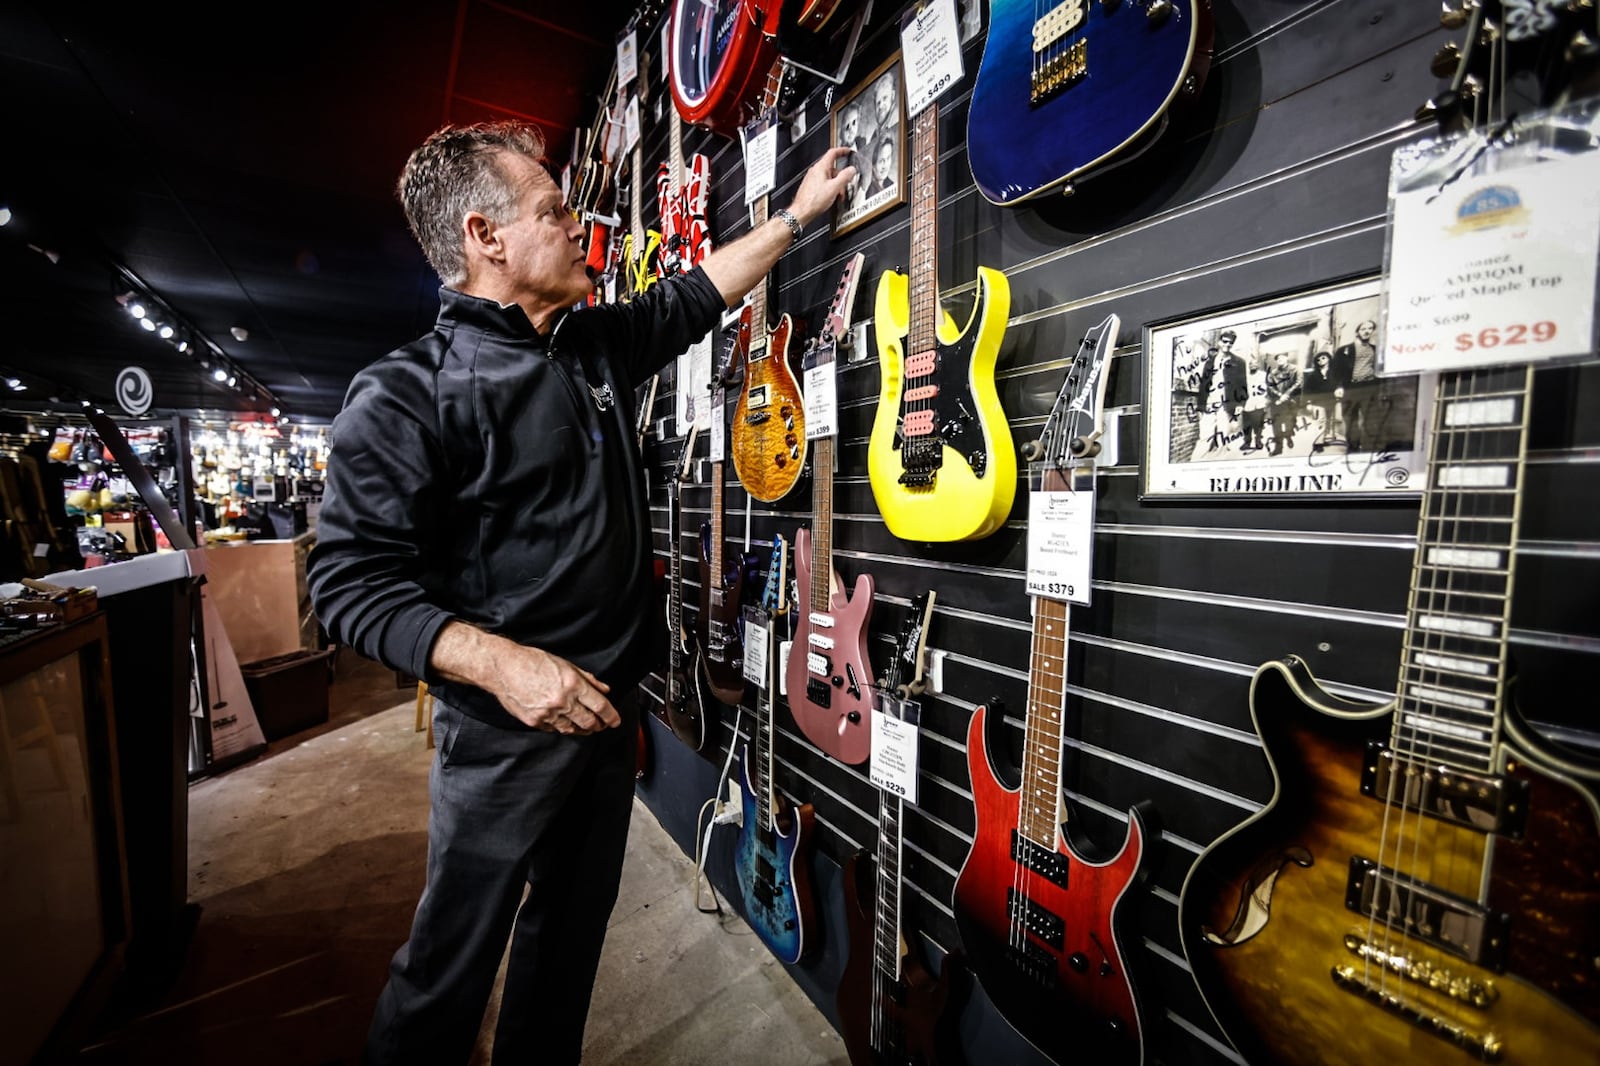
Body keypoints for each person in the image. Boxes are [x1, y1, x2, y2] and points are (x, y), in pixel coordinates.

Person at [307, 120, 855, 1066]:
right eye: (554, 213)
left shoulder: (589, 346)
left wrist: (797, 218)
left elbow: (694, 295)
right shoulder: (403, 393)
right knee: (447, 974)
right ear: (486, 239)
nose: (579, 231)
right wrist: (504, 666)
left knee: (565, 950)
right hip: (503, 739)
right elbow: (347, 585)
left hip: (606, 720)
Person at [1332, 318, 1379, 449]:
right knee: (1350, 419)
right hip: (1350, 388)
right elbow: (1335, 370)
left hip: (1369, 387)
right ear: (1357, 332)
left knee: (1370, 420)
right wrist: (1339, 386)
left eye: (1370, 328)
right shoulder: (1344, 350)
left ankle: (1368, 450)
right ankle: (1353, 449)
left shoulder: (1376, 350)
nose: (1367, 331)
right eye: (1363, 329)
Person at [1265, 351, 1303, 455]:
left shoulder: (1295, 369)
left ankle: (1289, 436)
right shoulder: (1273, 373)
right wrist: (1279, 395)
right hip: (1277, 401)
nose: (1280, 359)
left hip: (1291, 400)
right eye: (1278, 358)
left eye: (1282, 357)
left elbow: (1298, 383)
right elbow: (1270, 386)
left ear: (1287, 358)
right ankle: (1278, 448)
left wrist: (1286, 394)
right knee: (1276, 424)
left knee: (1289, 422)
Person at [837, 102, 869, 213]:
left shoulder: (864, 147)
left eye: (854, 123)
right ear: (841, 133)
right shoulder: (839, 161)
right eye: (847, 127)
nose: (851, 129)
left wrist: (861, 190)